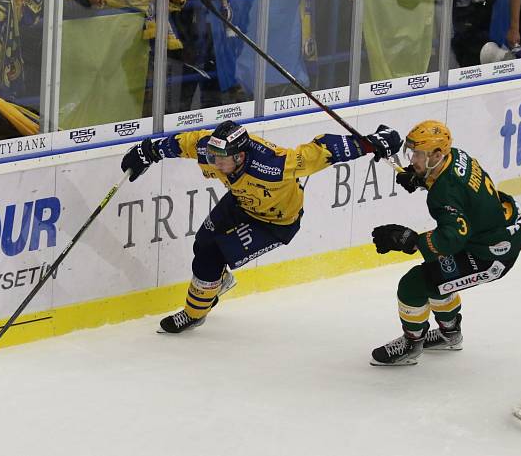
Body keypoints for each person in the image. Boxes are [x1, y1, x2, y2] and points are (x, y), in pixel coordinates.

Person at [121, 120, 403, 333]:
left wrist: (370, 143)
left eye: (222, 159)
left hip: (274, 223)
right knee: (203, 241)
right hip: (240, 204)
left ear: (241, 156)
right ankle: (219, 282)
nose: (215, 164)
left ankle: (195, 313)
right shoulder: (213, 151)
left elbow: (322, 150)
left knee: (210, 257)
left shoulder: (275, 164)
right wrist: (148, 152)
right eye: (213, 157)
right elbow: (184, 143)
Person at [369, 121, 521, 366]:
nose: (412, 159)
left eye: (418, 154)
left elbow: (451, 238)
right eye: (412, 153)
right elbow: (460, 195)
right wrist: (420, 179)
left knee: (413, 284)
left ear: (437, 155)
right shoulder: (456, 156)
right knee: (437, 277)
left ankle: (412, 344)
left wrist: (410, 241)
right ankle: (449, 334)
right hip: (496, 232)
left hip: (491, 255)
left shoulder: (444, 192)